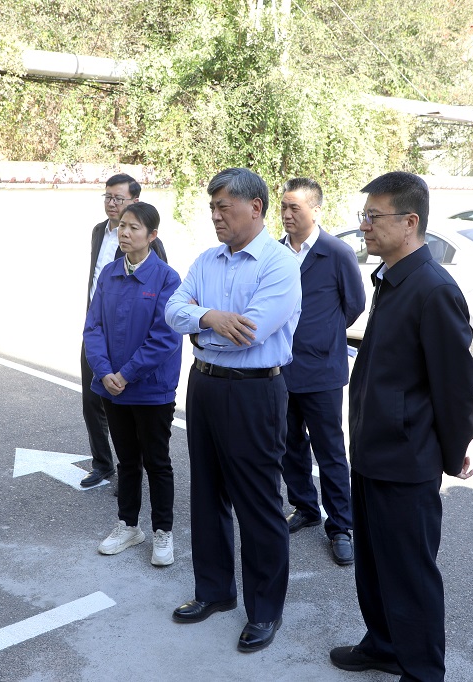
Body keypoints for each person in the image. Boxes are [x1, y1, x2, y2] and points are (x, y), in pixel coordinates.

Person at [329, 172, 473, 681]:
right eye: (364, 216)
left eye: (374, 217)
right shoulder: (393, 279)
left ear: (410, 222)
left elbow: (456, 388)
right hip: (373, 452)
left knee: (410, 575)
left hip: (406, 460)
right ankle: (385, 645)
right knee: (374, 565)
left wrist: (452, 451)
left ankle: (422, 672)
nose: (364, 226)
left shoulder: (433, 289)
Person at [165, 167, 301, 653]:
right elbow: (173, 310)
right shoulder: (207, 260)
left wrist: (200, 328)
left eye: (224, 207)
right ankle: (215, 591)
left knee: (258, 502)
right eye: (212, 208)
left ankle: (264, 610)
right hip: (204, 386)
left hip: (254, 392)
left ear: (255, 207)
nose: (216, 216)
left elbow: (251, 332)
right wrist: (210, 317)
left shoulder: (278, 264)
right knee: (206, 493)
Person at [83, 202, 183, 566]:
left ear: (152, 235)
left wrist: (125, 374)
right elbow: (93, 327)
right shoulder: (110, 274)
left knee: (157, 462)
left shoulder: (168, 279)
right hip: (112, 387)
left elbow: (165, 337)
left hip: (150, 389)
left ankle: (163, 531)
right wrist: (104, 371)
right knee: (127, 460)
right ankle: (128, 525)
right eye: (122, 226)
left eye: (134, 227)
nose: (124, 233)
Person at [277, 177, 366, 566]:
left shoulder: (336, 252)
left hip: (322, 371)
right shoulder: (275, 252)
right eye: (283, 206)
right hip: (280, 368)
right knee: (288, 445)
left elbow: (354, 305)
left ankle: (341, 526)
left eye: (294, 207)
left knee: (329, 450)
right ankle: (305, 507)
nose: (286, 214)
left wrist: (324, 334)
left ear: (315, 210)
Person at [80, 173, 168, 488]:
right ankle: (102, 464)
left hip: (129, 335)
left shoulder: (148, 243)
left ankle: (130, 470)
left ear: (135, 201)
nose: (111, 203)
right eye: (108, 197)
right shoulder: (99, 232)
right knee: (93, 400)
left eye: (119, 198)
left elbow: (157, 293)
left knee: (128, 403)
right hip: (97, 328)